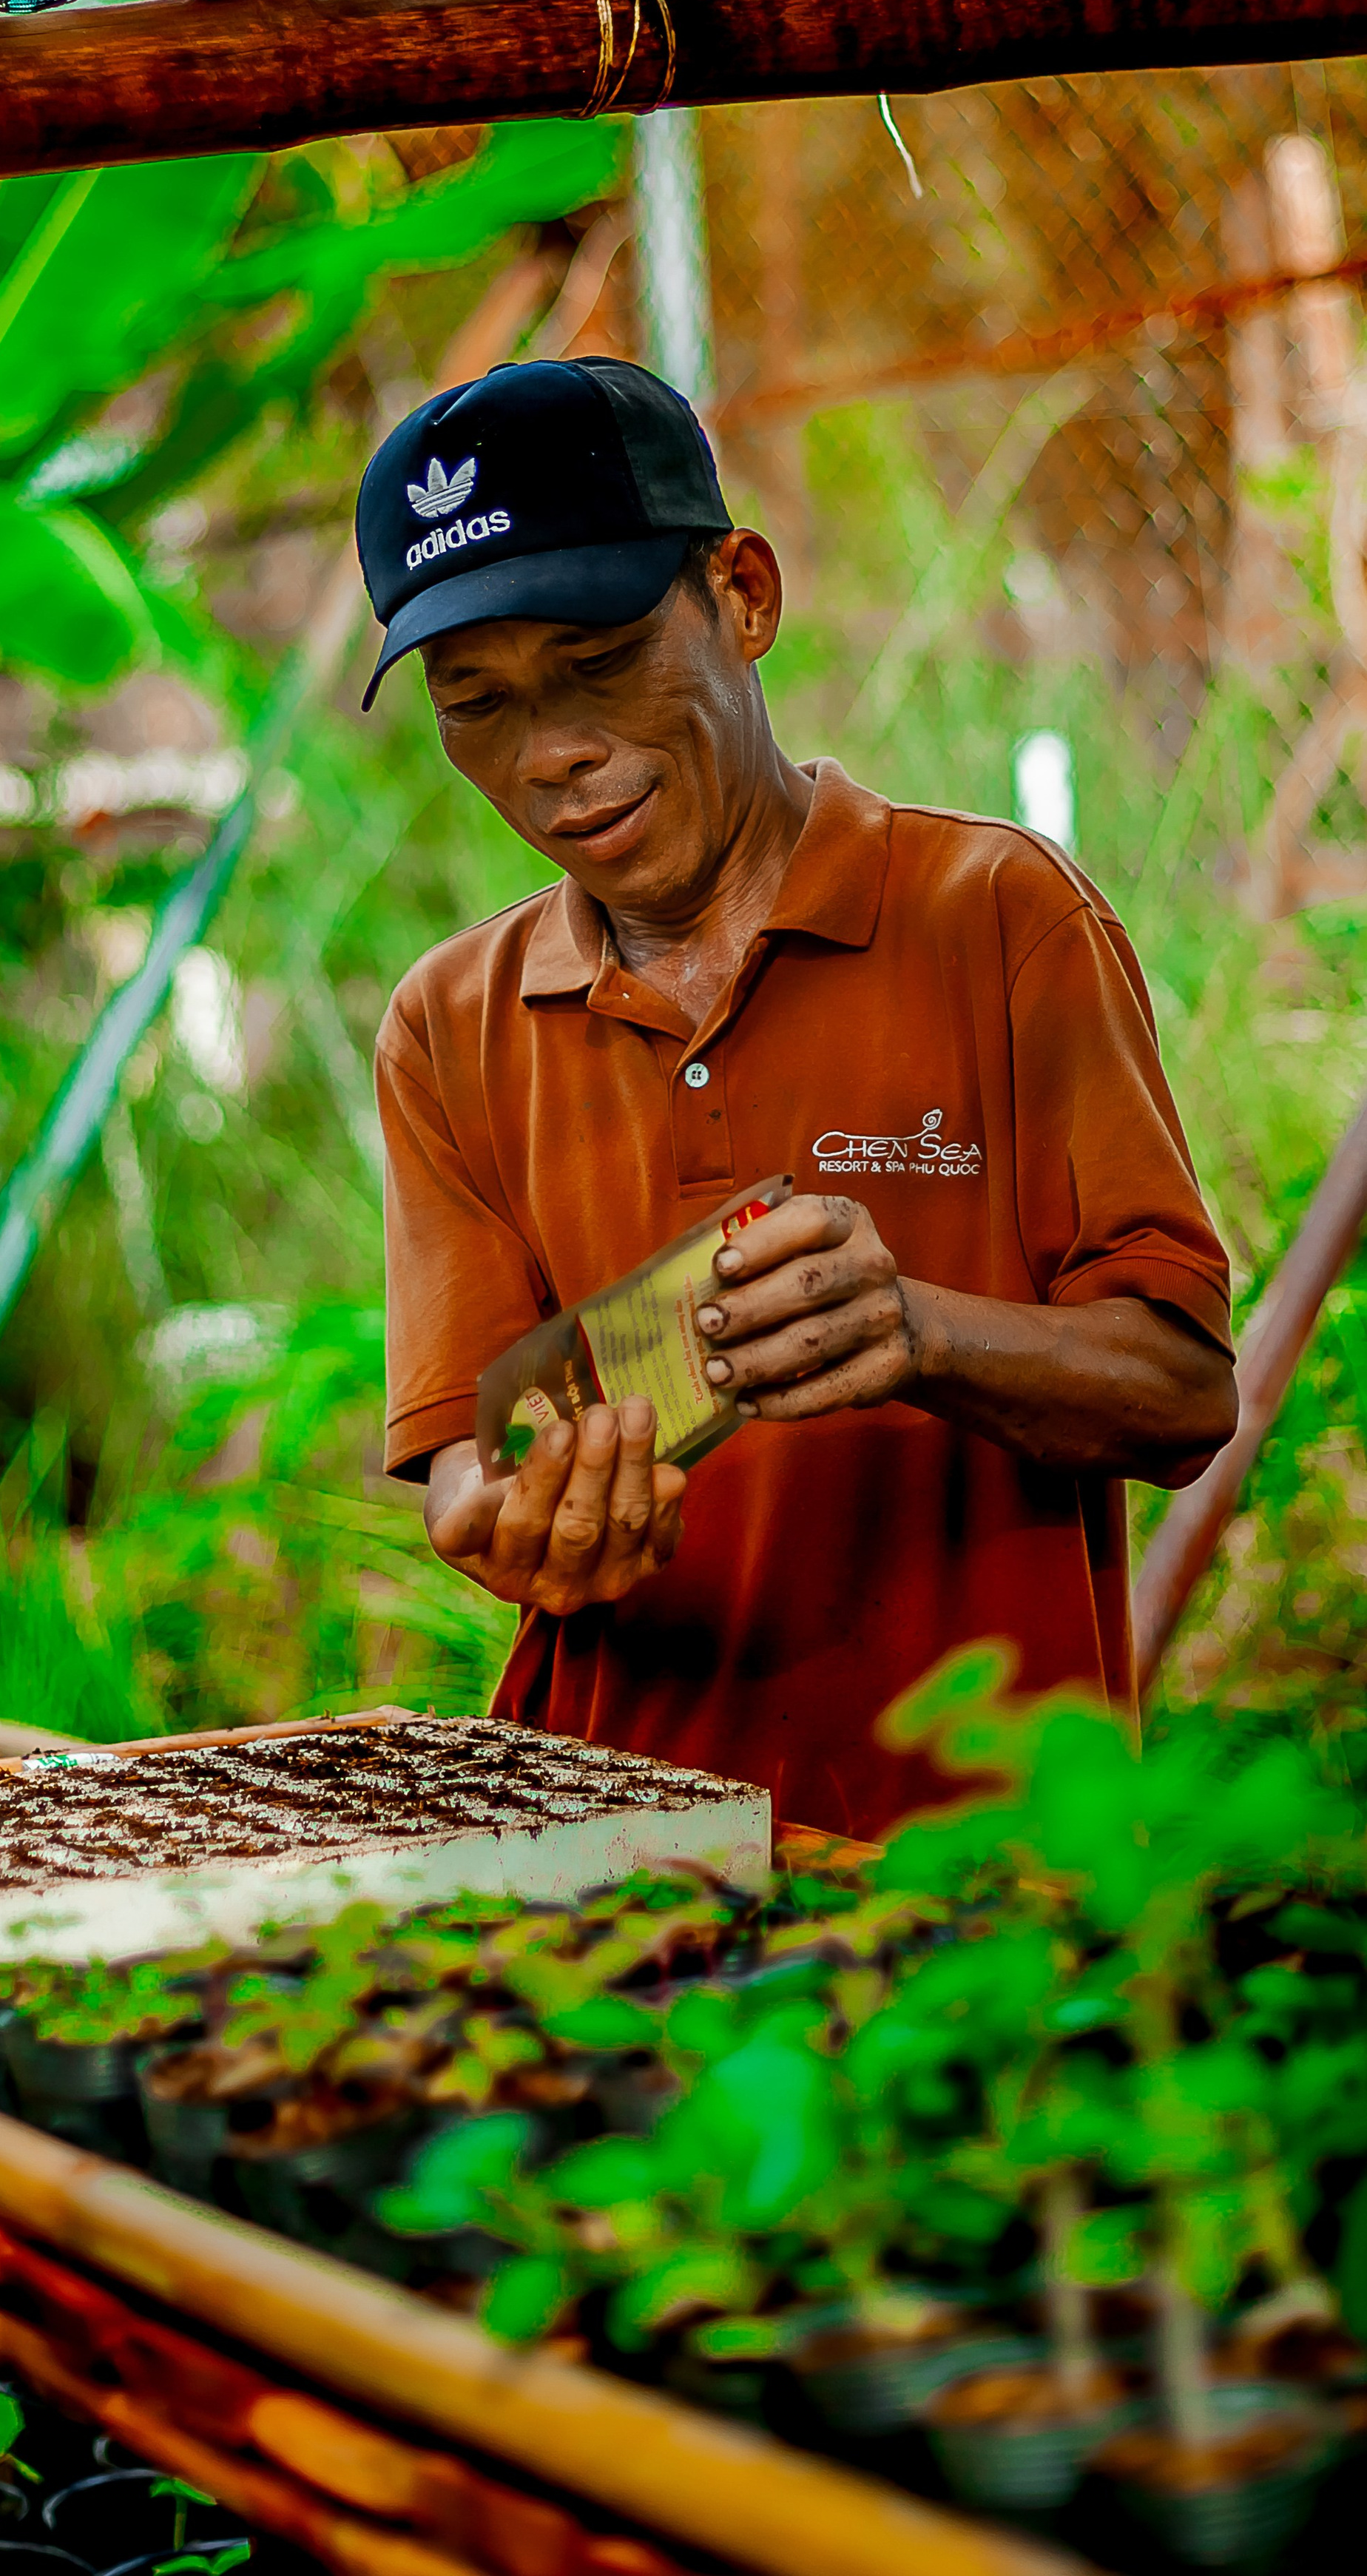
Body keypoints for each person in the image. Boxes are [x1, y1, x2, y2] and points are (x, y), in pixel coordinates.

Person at [354, 357, 1237, 1840]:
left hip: (973, 1883)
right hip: (603, 1866)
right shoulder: (449, 1025)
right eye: (476, 702)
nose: (548, 753)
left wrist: (917, 1333)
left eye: (596, 661)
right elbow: (466, 1467)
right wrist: (511, 1528)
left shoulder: (999, 919)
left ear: (741, 594)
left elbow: (1183, 1390)